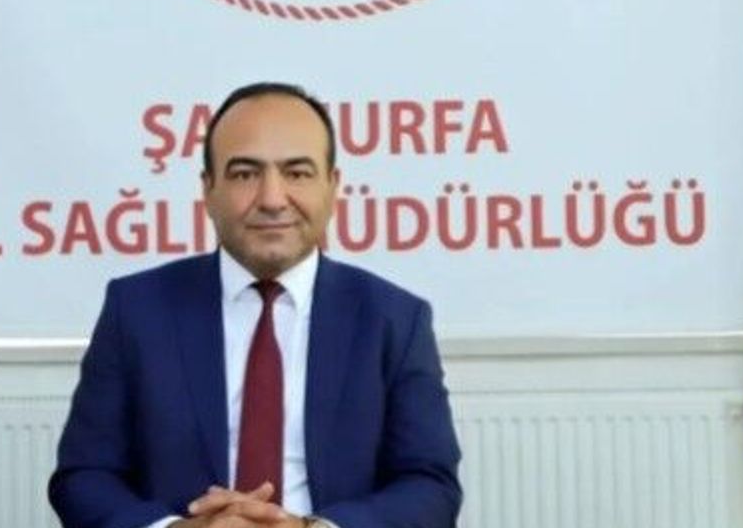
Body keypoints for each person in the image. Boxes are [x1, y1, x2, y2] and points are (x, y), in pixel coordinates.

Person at [49, 83, 462, 528]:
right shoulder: (135, 310)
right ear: (208, 189)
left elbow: (430, 486)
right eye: (245, 174)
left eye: (297, 173)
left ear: (333, 186)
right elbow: (84, 477)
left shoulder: (395, 320)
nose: (271, 199)